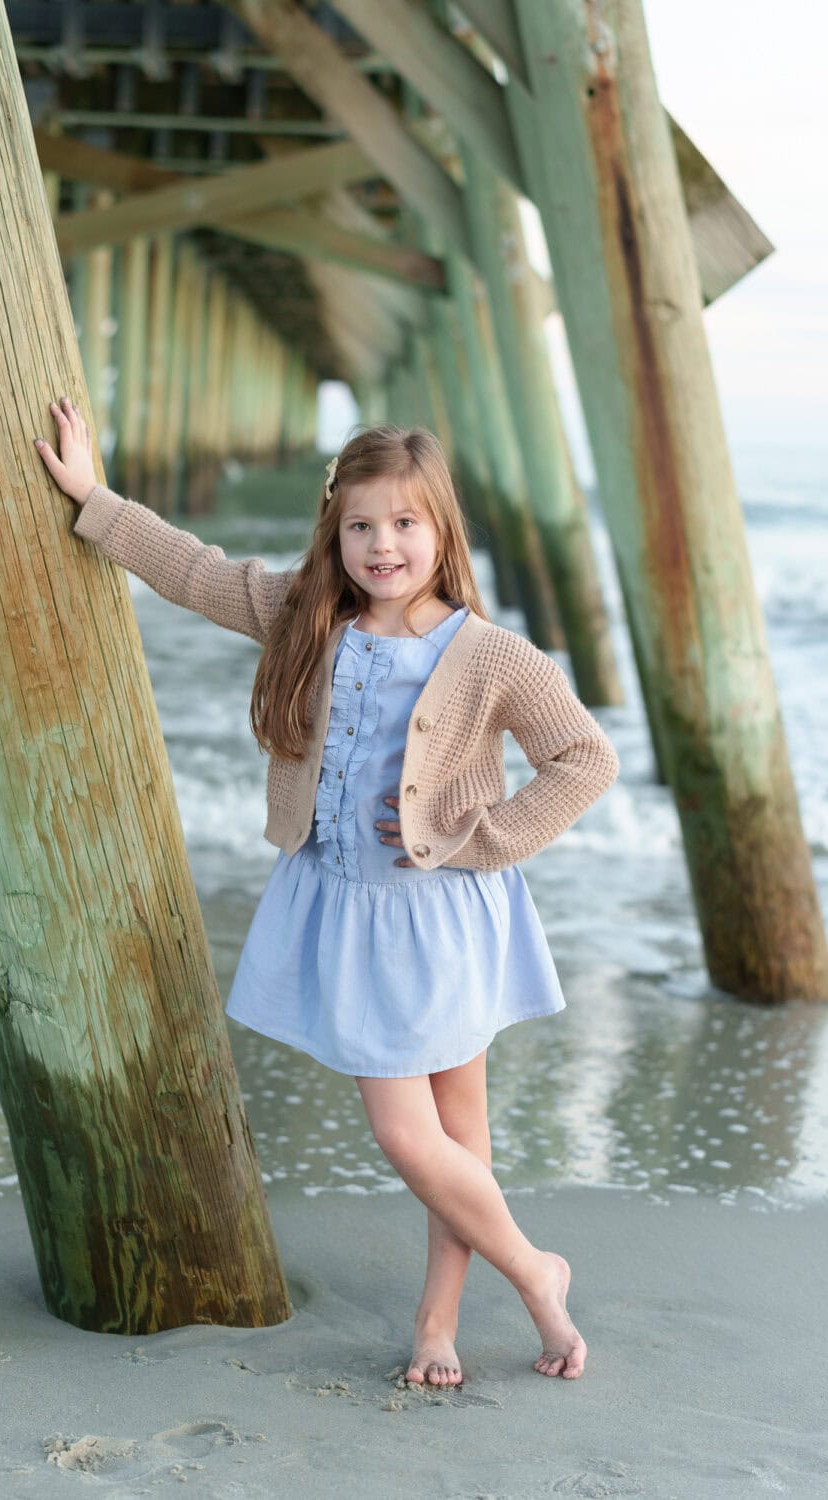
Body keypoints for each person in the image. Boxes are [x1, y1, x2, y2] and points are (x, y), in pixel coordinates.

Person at [35, 396, 620, 1387]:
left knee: (433, 1140)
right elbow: (194, 572)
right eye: (360, 525)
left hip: (444, 916)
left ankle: (484, 1298)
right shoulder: (305, 616)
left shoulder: (488, 654)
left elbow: (584, 757)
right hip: (353, 911)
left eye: (404, 523)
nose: (382, 545)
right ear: (333, 529)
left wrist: (484, 837)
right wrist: (93, 496)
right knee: (432, 1142)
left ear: (440, 529)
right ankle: (500, 1289)